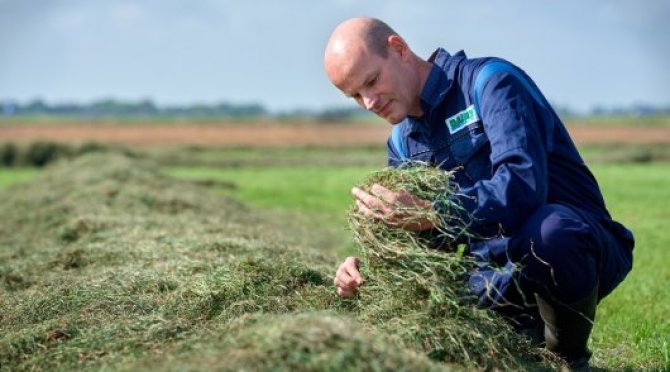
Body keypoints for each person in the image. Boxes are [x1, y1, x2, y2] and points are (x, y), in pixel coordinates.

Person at [325, 17, 634, 370]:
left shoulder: (490, 83)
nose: (368, 102)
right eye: (354, 96)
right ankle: (525, 342)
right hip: (496, 279)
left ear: (398, 49)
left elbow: (523, 186)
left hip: (570, 249)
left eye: (371, 81)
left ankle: (568, 360)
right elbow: (418, 242)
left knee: (550, 231)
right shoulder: (401, 143)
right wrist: (366, 267)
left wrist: (436, 212)